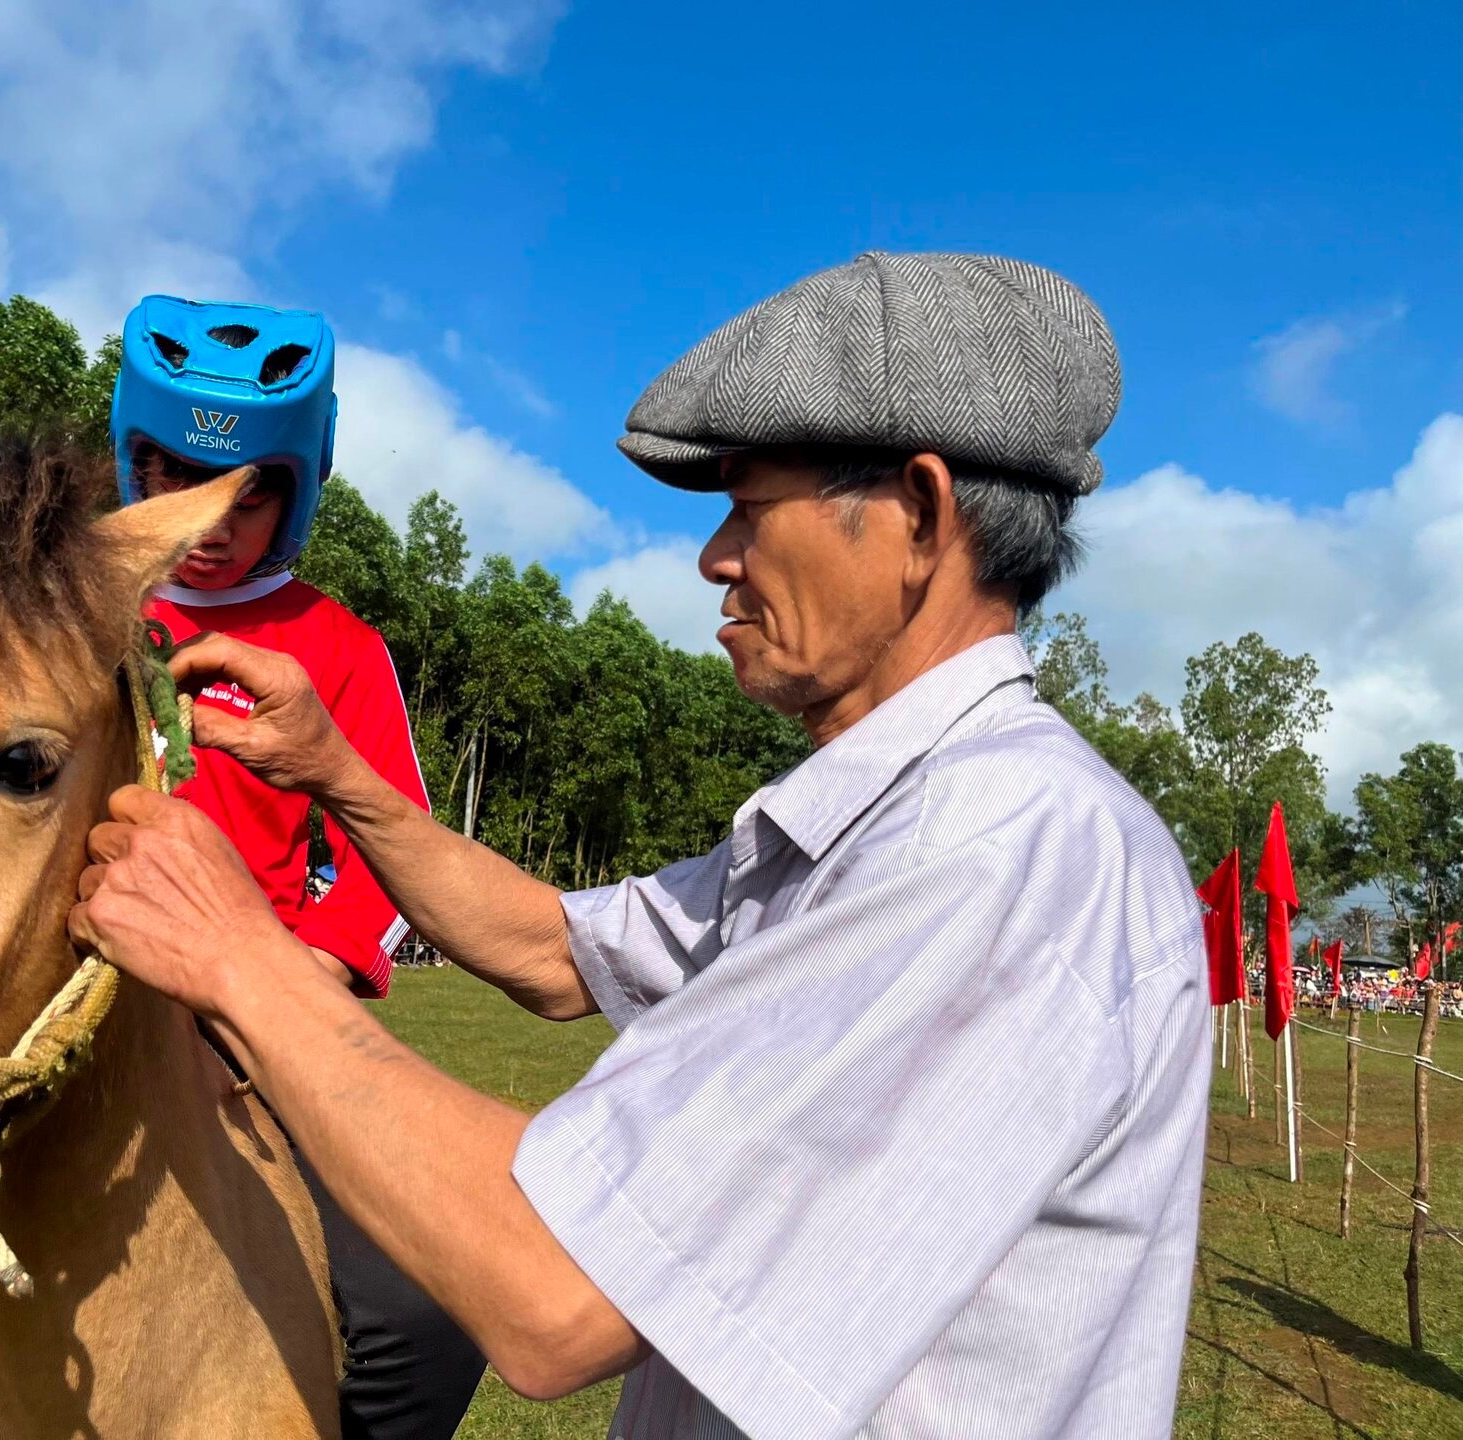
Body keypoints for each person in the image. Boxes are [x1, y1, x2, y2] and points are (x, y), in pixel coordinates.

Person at [73, 253, 1212, 1439]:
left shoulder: (989, 851)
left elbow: (556, 1295)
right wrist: (338, 777)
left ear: (919, 515)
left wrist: (236, 957)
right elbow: (558, 954)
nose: (716, 557)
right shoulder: (873, 820)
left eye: (749, 507)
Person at [110, 295, 486, 1440]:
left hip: (257, 1012)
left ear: (299, 483)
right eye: (172, 473)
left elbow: (387, 848)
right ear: (129, 457)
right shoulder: (50, 599)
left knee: (426, 1311)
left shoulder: (339, 643)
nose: (210, 518)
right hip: (55, 1003)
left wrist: (293, 985)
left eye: (250, 486)